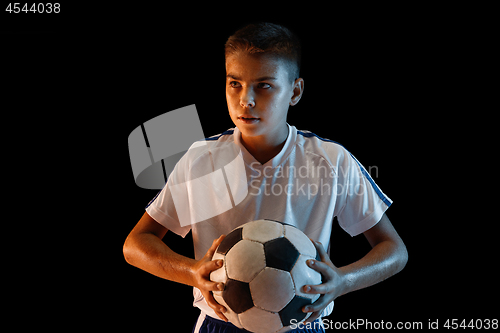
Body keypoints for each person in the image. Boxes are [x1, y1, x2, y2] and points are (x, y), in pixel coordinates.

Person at [123, 22, 408, 333]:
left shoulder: (331, 160)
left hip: (302, 323)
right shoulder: (200, 160)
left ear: (295, 91)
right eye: (235, 84)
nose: (246, 99)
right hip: (220, 323)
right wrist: (192, 271)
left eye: (264, 85)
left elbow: (393, 250)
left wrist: (343, 280)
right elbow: (136, 243)